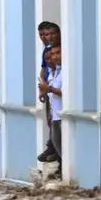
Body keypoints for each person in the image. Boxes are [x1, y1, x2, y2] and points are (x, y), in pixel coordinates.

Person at [37, 22, 60, 162]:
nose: (47, 37)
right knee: (51, 121)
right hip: (49, 89)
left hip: (54, 88)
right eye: (44, 35)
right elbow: (43, 69)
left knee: (56, 123)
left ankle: (53, 149)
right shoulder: (46, 49)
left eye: (51, 34)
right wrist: (42, 87)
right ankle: (52, 147)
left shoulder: (57, 50)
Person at [39, 45, 63, 179]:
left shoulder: (64, 72)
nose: (54, 57)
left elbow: (65, 93)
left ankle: (63, 172)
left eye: (57, 53)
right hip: (55, 117)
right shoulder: (54, 73)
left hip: (62, 117)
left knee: (62, 149)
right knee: (58, 146)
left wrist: (48, 88)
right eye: (51, 55)